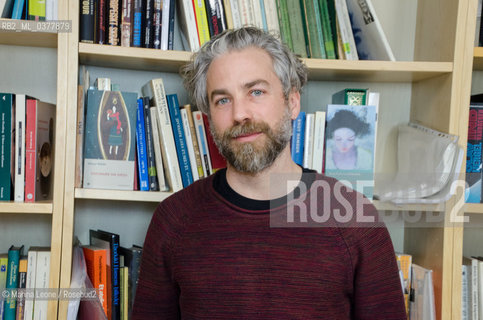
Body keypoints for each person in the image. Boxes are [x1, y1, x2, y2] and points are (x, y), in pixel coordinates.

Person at [132, 27, 406, 319]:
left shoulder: (353, 218)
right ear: (209, 117)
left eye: (256, 92)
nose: (240, 114)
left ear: (292, 102)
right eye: (222, 100)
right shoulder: (173, 220)